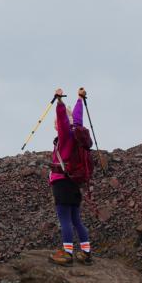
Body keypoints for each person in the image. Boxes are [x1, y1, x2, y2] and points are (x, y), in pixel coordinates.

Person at [49, 87, 94, 265]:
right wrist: (79, 99)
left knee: (64, 218)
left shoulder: (66, 135)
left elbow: (62, 118)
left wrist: (59, 101)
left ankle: (67, 253)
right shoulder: (78, 132)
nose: (56, 124)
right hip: (75, 183)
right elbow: (77, 117)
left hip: (62, 182)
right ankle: (86, 251)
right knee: (76, 219)